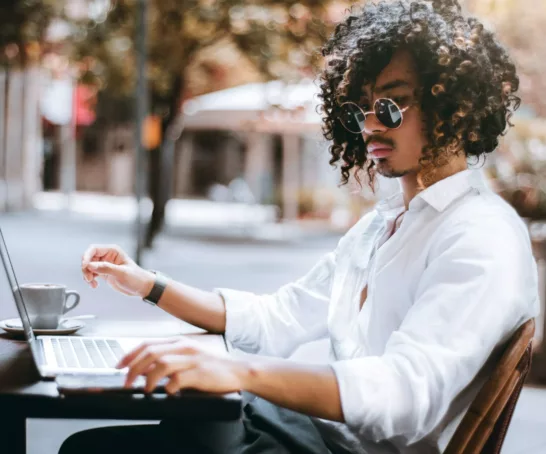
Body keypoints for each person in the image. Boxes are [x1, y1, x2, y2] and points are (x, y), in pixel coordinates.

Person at [60, 1, 540, 453]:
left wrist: (238, 371)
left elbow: (404, 392)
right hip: (307, 434)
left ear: (455, 108)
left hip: (329, 446)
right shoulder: (385, 225)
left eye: (391, 106)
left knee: (90, 447)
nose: (370, 125)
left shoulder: (481, 236)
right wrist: (147, 283)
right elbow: (277, 318)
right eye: (360, 109)